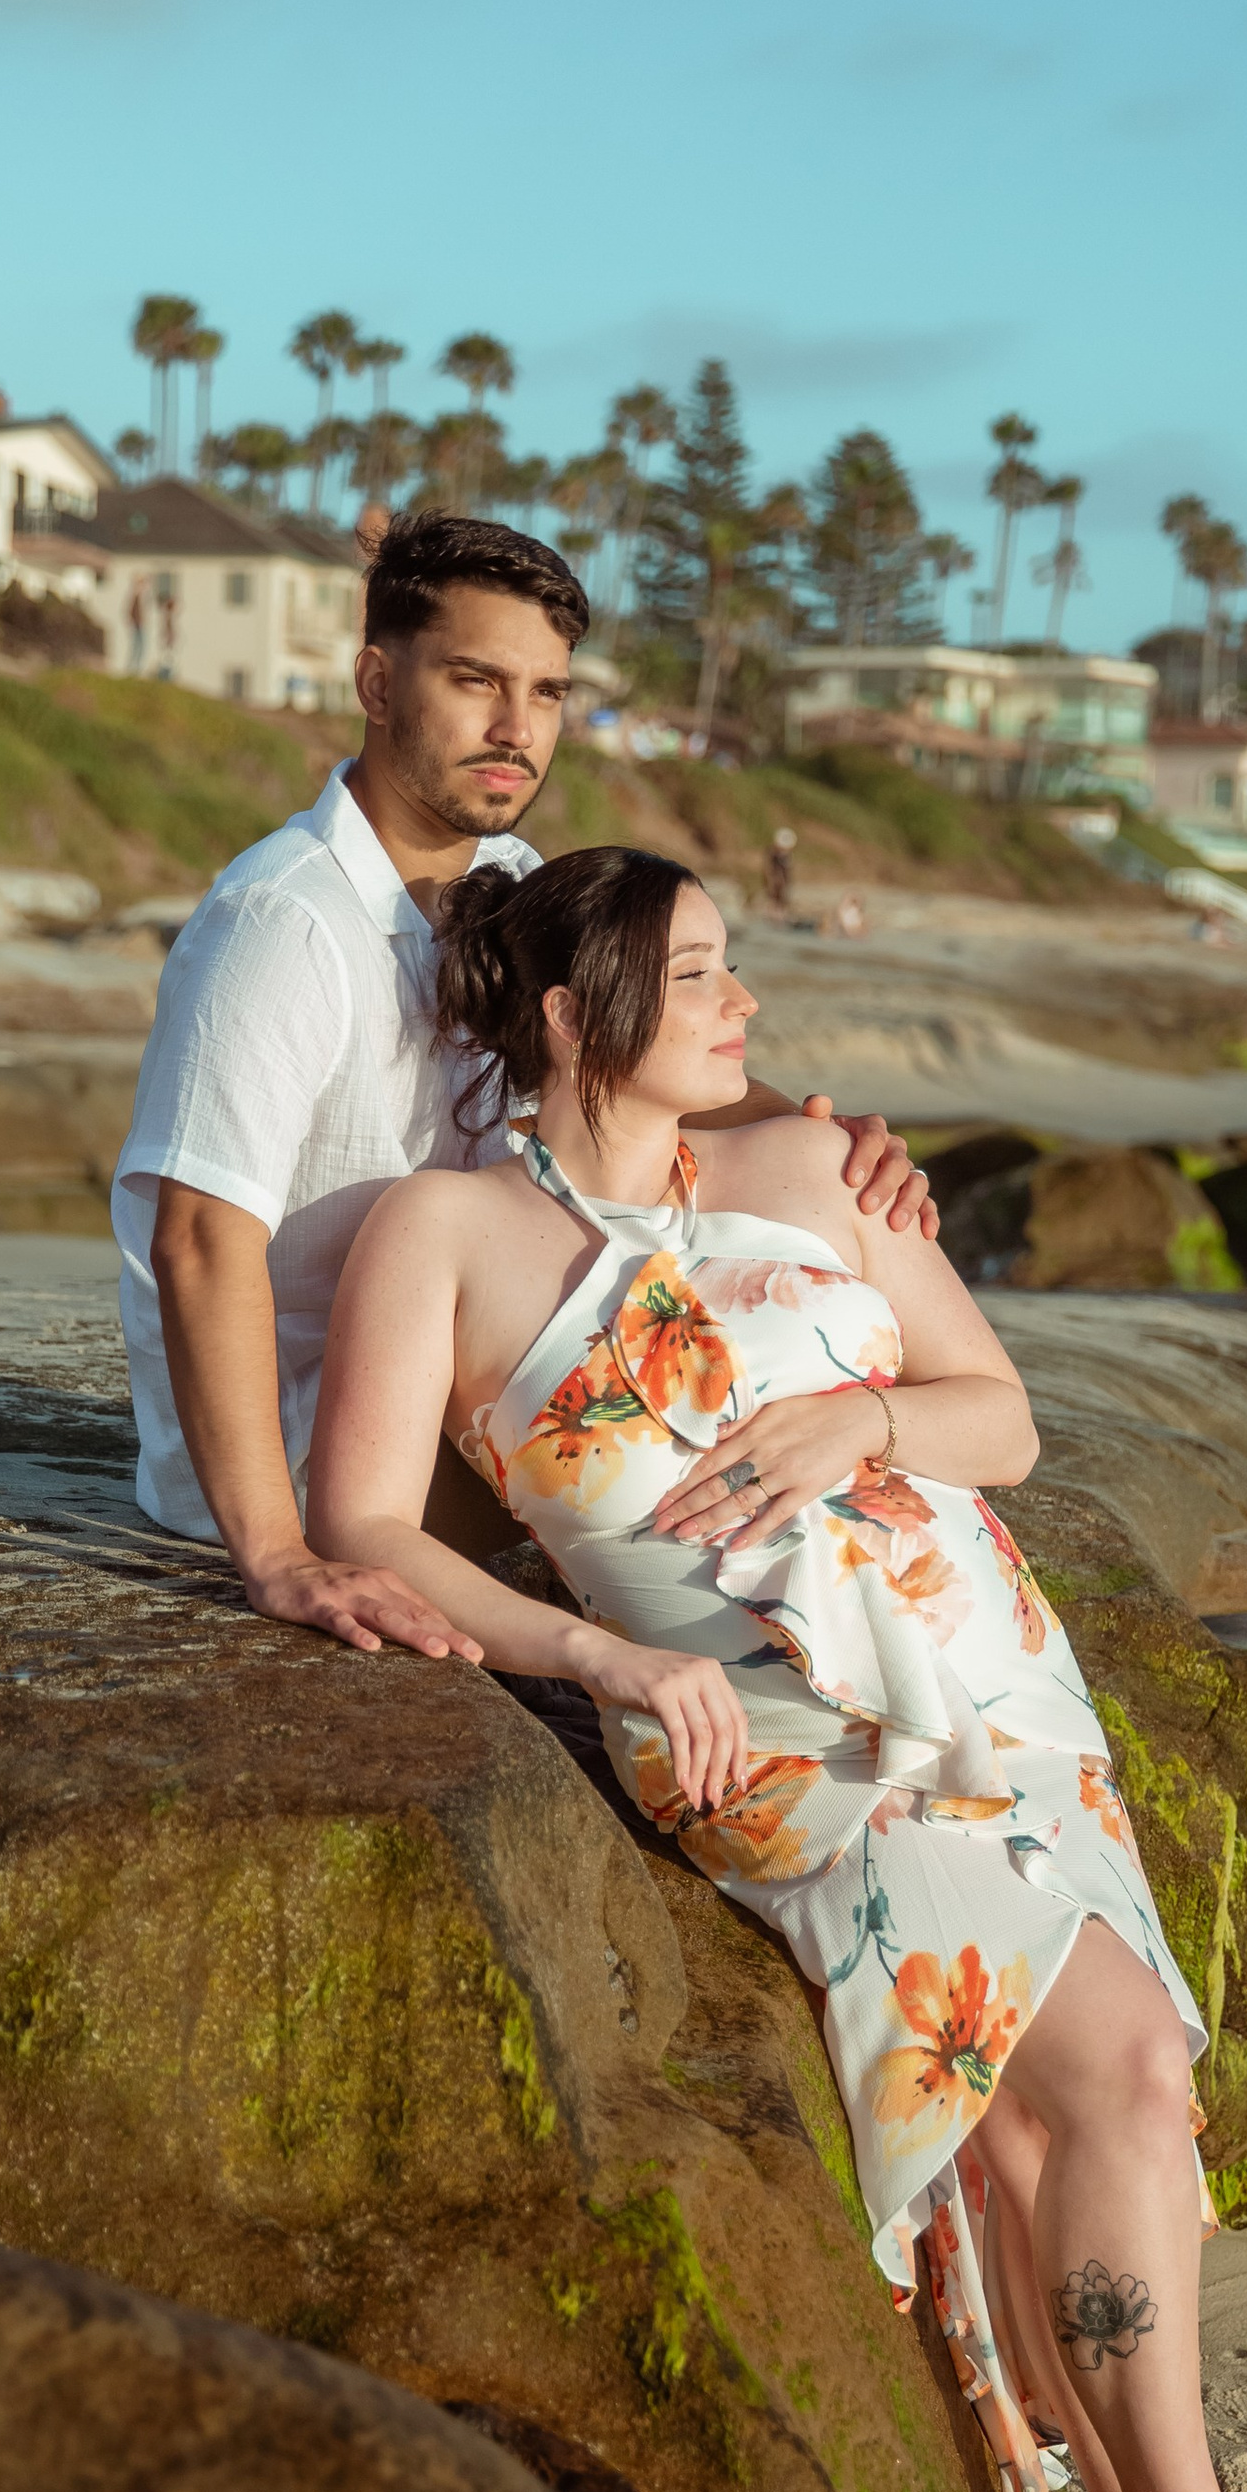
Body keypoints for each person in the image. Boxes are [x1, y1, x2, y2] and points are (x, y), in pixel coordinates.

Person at [307, 841, 1247, 2492]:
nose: (742, 1008)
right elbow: (365, 1526)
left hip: (995, 1678)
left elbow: (997, 1418)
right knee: (1116, 2073)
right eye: (698, 978)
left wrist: (861, 1417)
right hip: (768, 1735)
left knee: (1065, 2106)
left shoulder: (810, 1172)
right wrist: (597, 1659)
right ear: (567, 1016)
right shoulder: (437, 1237)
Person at [114, 510, 938, 1659]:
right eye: (475, 681)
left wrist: (836, 1137)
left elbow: (628, 1044)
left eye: (546, 693)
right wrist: (279, 1559)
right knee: (724, 1424)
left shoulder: (507, 879)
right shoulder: (283, 923)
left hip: (458, 1368)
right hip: (302, 1452)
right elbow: (198, 1238)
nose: (516, 729)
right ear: (376, 681)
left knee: (777, 1358)